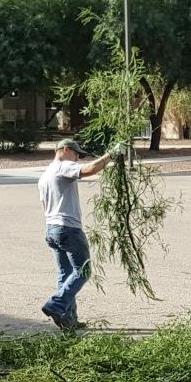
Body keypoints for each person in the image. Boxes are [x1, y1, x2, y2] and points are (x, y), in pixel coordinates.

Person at [38, 138, 123, 331]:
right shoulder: (62, 166)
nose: (77, 159)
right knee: (83, 271)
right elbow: (89, 170)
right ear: (65, 150)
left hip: (52, 229)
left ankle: (69, 319)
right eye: (76, 154)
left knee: (65, 274)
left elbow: (44, 205)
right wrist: (111, 154)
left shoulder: (45, 176)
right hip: (68, 229)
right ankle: (56, 305)